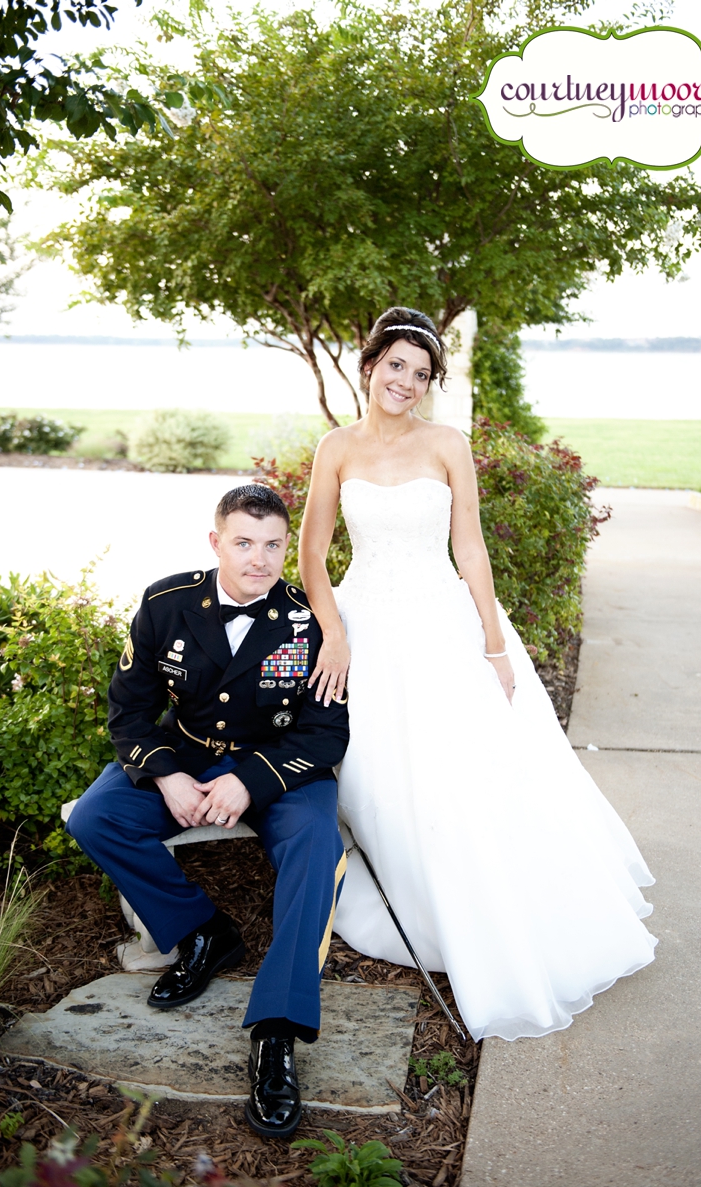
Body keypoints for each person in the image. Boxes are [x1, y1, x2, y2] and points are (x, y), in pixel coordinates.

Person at [298, 306, 657, 1043]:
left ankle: (498, 905)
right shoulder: (336, 447)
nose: (406, 381)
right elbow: (312, 552)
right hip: (368, 627)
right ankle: (421, 896)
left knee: (469, 767)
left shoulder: (447, 445)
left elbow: (471, 548)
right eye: (395, 365)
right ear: (369, 365)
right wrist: (333, 632)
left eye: (421, 373)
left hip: (442, 621)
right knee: (385, 773)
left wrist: (494, 643)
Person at [66, 484, 349, 1138]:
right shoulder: (166, 603)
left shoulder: (312, 620)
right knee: (95, 816)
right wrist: (165, 774)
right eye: (243, 542)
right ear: (216, 541)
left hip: (281, 766)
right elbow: (129, 710)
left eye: (273, 545)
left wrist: (251, 782)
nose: (259, 559)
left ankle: (276, 1029)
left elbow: (325, 733)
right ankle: (203, 931)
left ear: (287, 547)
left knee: (318, 846)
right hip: (189, 756)